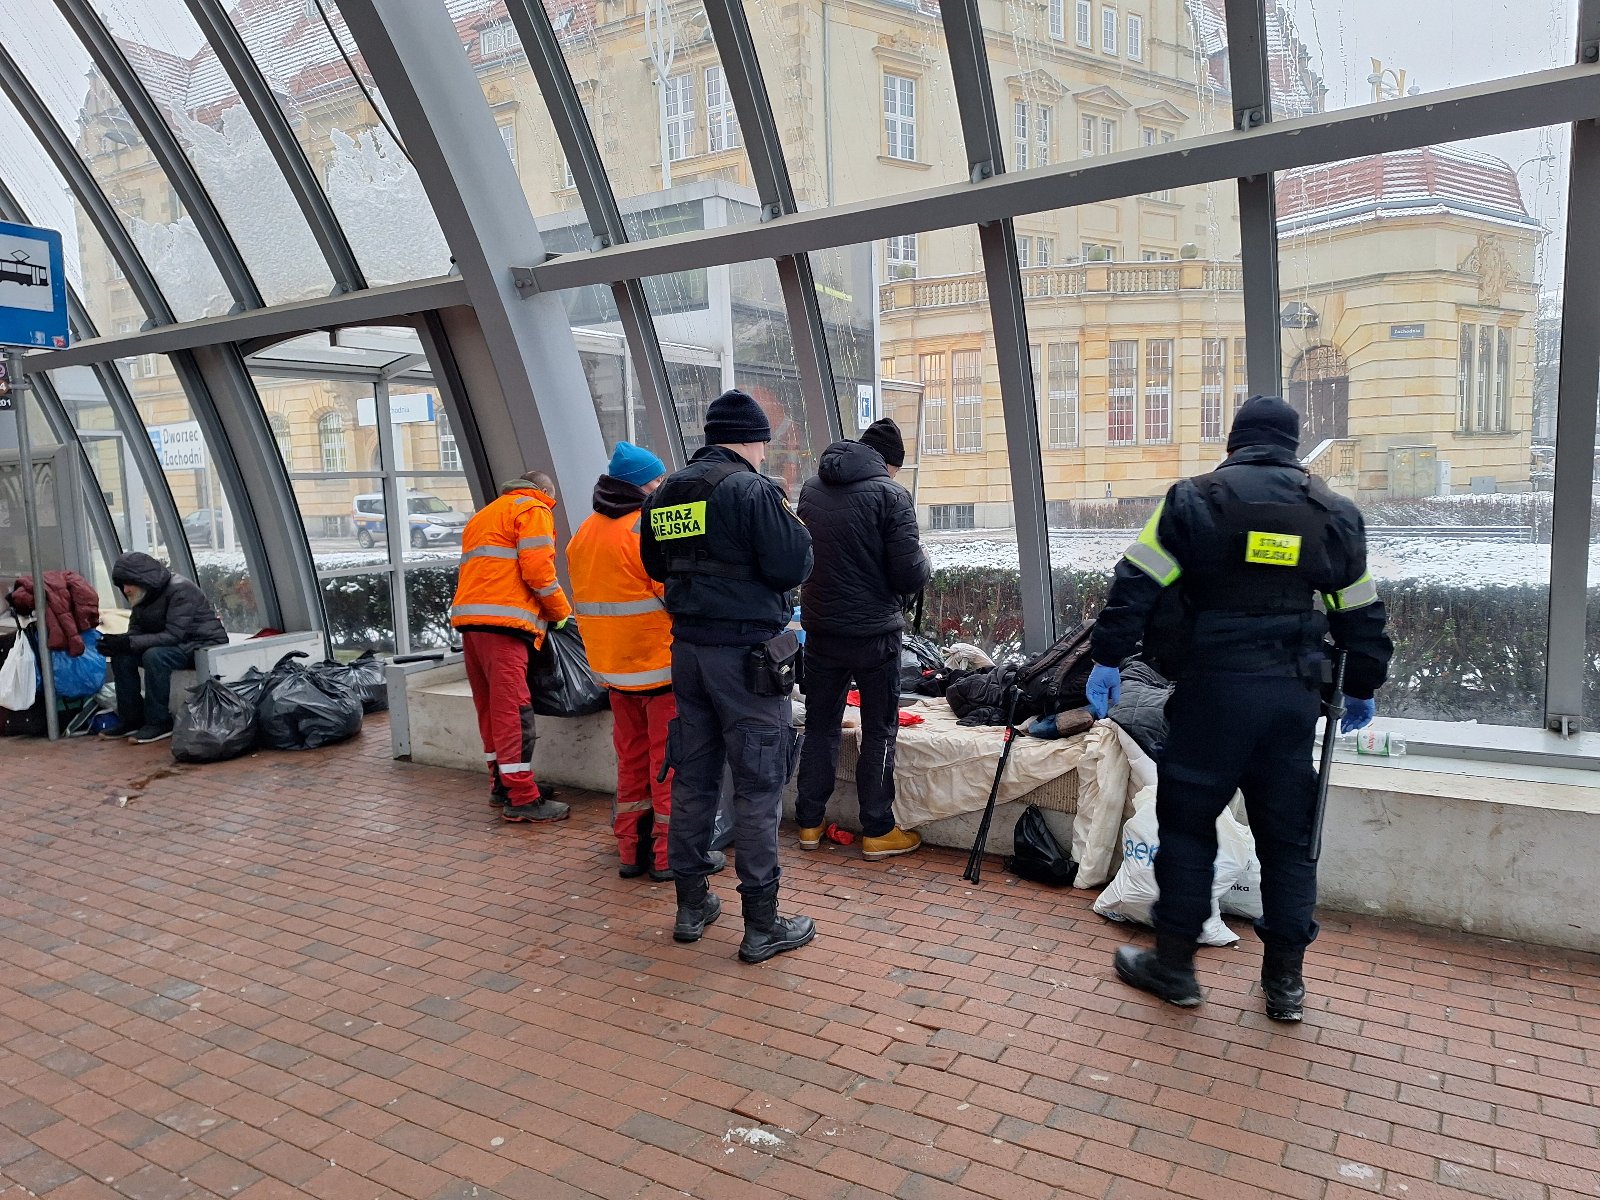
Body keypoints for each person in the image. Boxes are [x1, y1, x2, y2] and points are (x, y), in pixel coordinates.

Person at [1085, 395, 1393, 1022]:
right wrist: (1363, 682)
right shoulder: (1333, 513)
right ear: (1293, 444)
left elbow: (1136, 582)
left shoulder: (1194, 500)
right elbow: (1360, 609)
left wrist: (1107, 658)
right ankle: (1285, 983)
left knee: (1188, 825)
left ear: (1234, 441)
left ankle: (1174, 967)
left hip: (1212, 695)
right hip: (1291, 700)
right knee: (1289, 839)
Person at [640, 389, 815, 963]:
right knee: (759, 784)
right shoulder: (754, 491)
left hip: (688, 653)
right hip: (747, 660)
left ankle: (691, 907)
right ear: (752, 440)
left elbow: (654, 565)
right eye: (765, 443)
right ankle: (761, 925)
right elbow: (795, 563)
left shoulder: (666, 492)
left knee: (693, 778)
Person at [568, 442, 725, 883]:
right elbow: (673, 594)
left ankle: (629, 849)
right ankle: (667, 856)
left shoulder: (584, 533)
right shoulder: (645, 529)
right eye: (657, 481)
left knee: (632, 761)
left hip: (613, 671)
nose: (663, 487)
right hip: (658, 668)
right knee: (669, 764)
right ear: (643, 484)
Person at [794, 417, 931, 860]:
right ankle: (877, 828)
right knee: (879, 730)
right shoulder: (892, 495)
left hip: (820, 630)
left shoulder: (812, 489)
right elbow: (908, 574)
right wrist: (925, 563)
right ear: (890, 464)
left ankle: (809, 823)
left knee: (820, 725)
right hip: (874, 635)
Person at [451, 470, 572, 823]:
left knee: (489, 709)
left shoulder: (486, 514)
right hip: (505, 626)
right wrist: (560, 612)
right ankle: (522, 796)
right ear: (544, 491)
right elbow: (538, 571)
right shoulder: (532, 509)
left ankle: (502, 784)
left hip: (471, 624)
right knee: (513, 711)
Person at [97, 552, 228, 743]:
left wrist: (129, 643)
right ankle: (131, 719)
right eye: (122, 584)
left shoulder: (181, 589)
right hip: (176, 645)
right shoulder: (144, 594)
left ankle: (159, 721)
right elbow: (136, 631)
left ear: (142, 579)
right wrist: (117, 642)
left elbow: (175, 634)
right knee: (122, 656)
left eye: (128, 584)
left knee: (155, 656)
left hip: (201, 643)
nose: (125, 589)